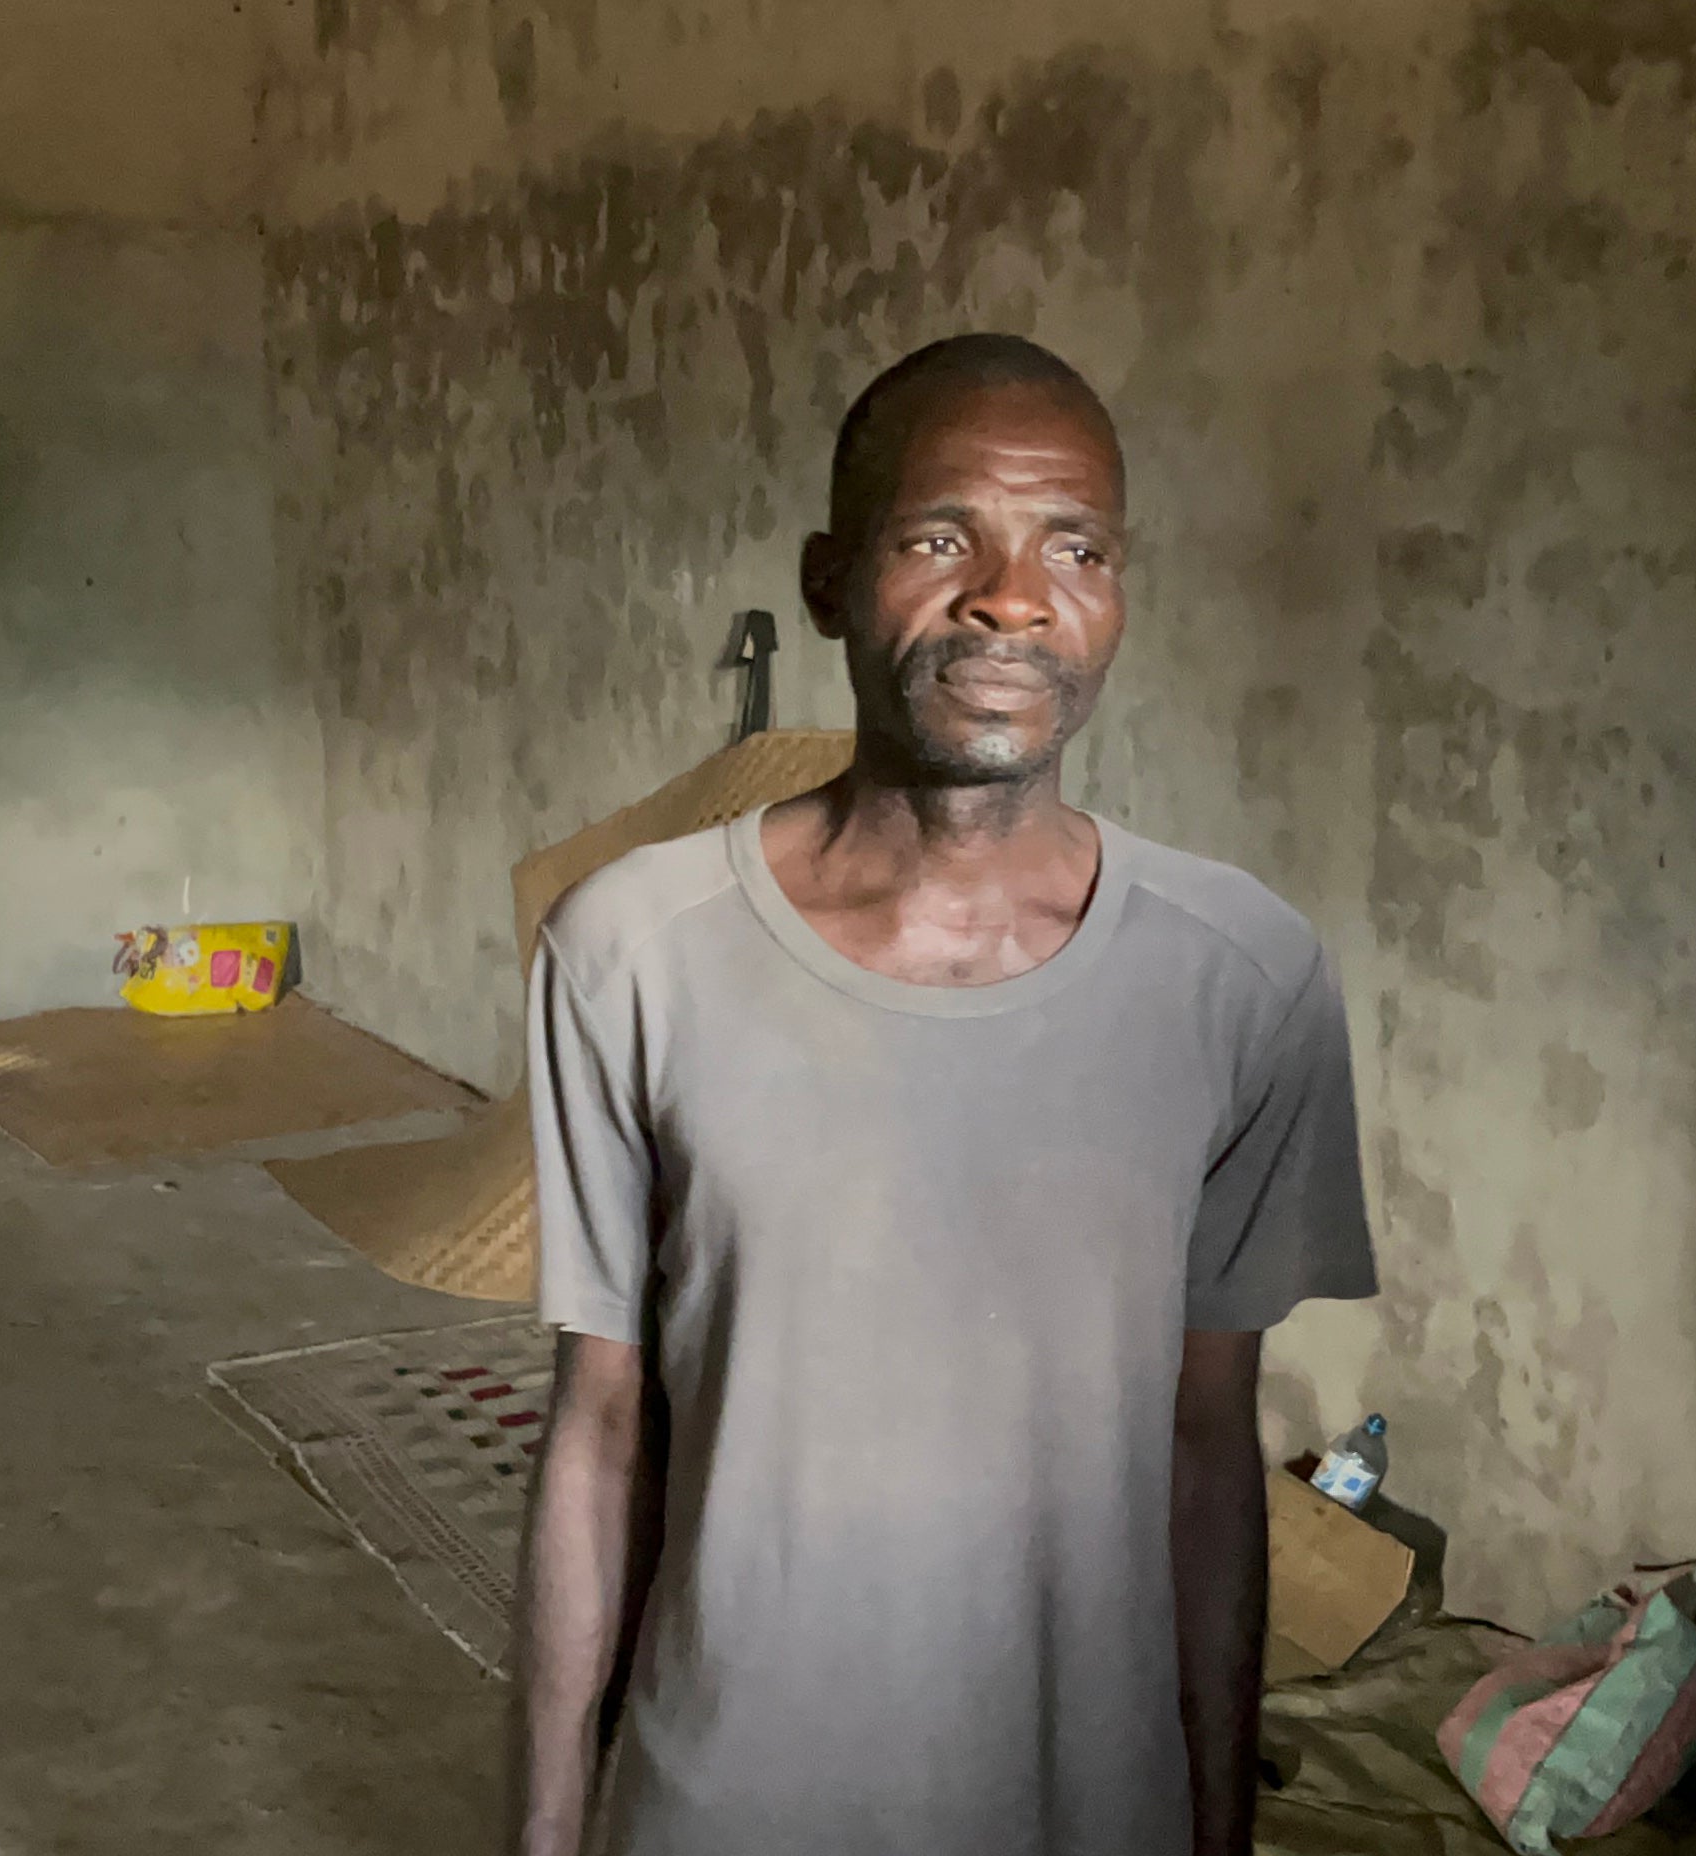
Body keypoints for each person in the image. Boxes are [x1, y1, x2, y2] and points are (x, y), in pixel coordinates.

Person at [515, 334, 1378, 1856]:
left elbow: (1207, 1449)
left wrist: (1219, 1830)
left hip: (1084, 1806)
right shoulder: (633, 954)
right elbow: (599, 1429)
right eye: (940, 537)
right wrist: (545, 1833)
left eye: (1076, 547)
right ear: (831, 579)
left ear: (1118, 594)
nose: (1012, 596)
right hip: (722, 1804)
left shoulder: (1244, 979)